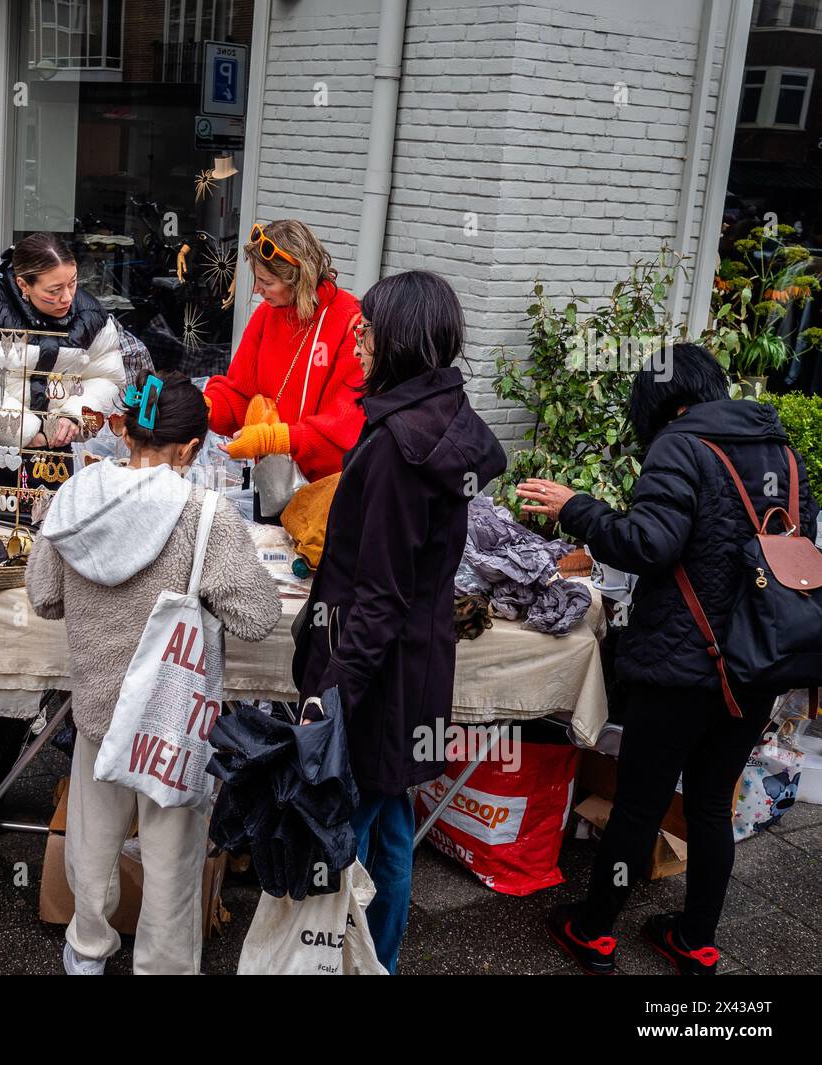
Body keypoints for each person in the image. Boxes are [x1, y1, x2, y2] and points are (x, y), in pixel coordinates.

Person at [517, 343, 818, 976]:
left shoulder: (679, 446)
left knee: (640, 804)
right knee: (711, 804)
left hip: (681, 667)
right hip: (756, 666)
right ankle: (696, 939)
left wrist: (578, 508)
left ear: (666, 403)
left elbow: (649, 543)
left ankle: (594, 929)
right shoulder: (786, 457)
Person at [26, 371, 281, 975]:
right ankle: (163, 965)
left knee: (91, 839)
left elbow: (43, 596)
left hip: (96, 706)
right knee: (172, 855)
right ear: (191, 449)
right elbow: (257, 617)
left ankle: (86, 950)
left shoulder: (75, 496)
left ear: (124, 431)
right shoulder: (205, 514)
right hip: (170, 719)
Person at [292, 271, 506, 974]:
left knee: (357, 827)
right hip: (420, 658)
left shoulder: (393, 447)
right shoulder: (446, 416)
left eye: (368, 328)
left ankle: (345, 958)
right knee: (390, 819)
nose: (356, 337)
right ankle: (375, 959)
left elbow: (378, 592)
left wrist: (335, 689)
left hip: (379, 671)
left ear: (400, 340)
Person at [0, 233, 126, 509]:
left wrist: (74, 418)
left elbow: (107, 377)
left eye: (72, 283)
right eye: (54, 290)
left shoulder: (90, 314)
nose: (67, 298)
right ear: (23, 284)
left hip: (56, 450)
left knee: (50, 528)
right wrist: (26, 432)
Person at [203, 219, 364, 511]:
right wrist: (204, 406)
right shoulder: (267, 314)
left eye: (267, 283)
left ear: (300, 279)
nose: (257, 291)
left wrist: (272, 439)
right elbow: (240, 396)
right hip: (272, 485)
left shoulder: (350, 322)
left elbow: (342, 436)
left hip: (327, 498)